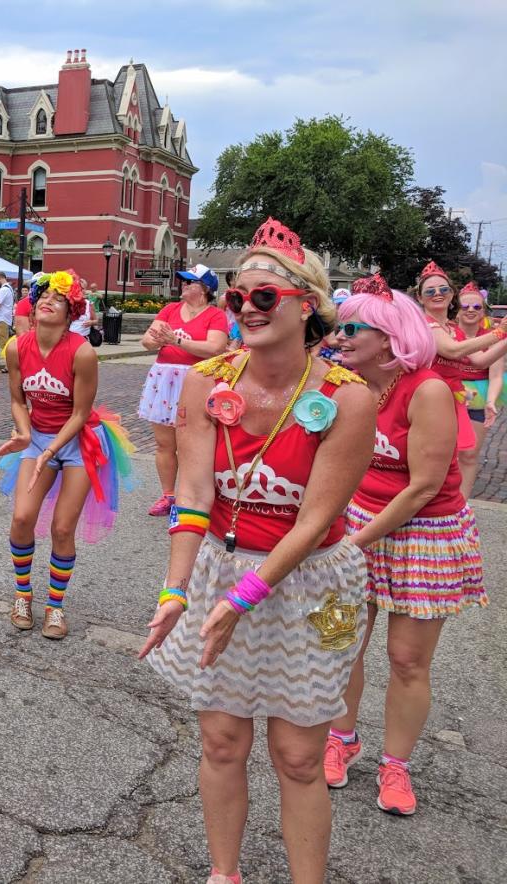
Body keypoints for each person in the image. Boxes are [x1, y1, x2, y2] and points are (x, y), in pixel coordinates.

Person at [142, 218, 376, 884]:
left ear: (308, 305)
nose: (246, 307)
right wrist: (176, 590)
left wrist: (244, 599)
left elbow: (313, 523)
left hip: (306, 582)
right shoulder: (203, 382)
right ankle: (225, 874)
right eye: (236, 296)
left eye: (264, 296)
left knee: (298, 756)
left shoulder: (348, 399)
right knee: (221, 741)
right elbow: (192, 493)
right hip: (223, 567)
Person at [325, 274, 486, 817]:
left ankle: (397, 765)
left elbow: (421, 487)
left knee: (408, 659)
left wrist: (352, 542)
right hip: (360, 518)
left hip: (423, 532)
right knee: (343, 641)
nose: (340, 336)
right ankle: (342, 739)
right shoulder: (346, 385)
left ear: (391, 338)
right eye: (339, 326)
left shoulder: (429, 390)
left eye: (354, 329)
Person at [0, 271, 134, 640]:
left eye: (58, 299)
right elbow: (17, 399)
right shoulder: (15, 347)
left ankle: (55, 606)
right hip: (38, 438)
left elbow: (79, 414)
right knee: (23, 517)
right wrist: (25, 434)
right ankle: (23, 596)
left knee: (61, 527)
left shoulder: (82, 352)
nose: (47, 300)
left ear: (70, 312)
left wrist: (52, 450)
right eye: (44, 295)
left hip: (79, 441)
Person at [138, 264, 230, 517]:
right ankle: (168, 495)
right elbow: (147, 340)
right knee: (164, 443)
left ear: (205, 289)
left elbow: (215, 348)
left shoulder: (215, 315)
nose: (184, 285)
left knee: (193, 443)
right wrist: (155, 340)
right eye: (184, 281)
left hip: (196, 380)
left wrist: (176, 340)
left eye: (191, 282)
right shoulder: (170, 310)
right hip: (165, 378)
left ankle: (193, 496)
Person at [414, 260, 507, 459]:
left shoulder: (453, 329)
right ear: (420, 298)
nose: (437, 294)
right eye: (430, 291)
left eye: (443, 289)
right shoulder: (425, 324)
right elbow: (453, 351)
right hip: (426, 401)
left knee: (451, 459)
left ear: (451, 294)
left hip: (451, 400)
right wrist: (500, 332)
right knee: (430, 459)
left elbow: (480, 361)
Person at [452, 282, 504, 497]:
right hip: (447, 396)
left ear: (483, 310)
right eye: (465, 307)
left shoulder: (492, 337)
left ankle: (462, 503)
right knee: (443, 454)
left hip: (478, 401)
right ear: (457, 310)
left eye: (476, 307)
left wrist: (491, 401)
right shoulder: (447, 334)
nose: (471, 310)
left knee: (469, 455)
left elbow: (496, 375)